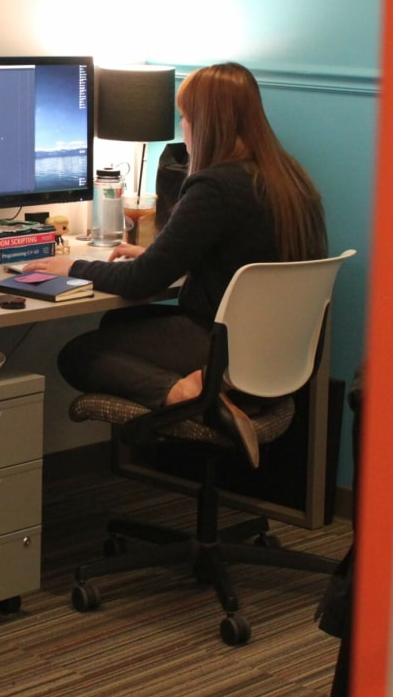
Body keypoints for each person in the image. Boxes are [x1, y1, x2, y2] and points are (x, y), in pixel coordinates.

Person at [19, 61, 326, 464]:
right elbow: (241, 254)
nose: (184, 126)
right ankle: (220, 397)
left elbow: (142, 281)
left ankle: (195, 394)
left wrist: (69, 268)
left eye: (184, 117)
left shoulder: (215, 185)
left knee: (79, 354)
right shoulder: (291, 178)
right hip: (277, 355)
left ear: (203, 122)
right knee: (117, 324)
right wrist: (158, 253)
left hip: (224, 347)